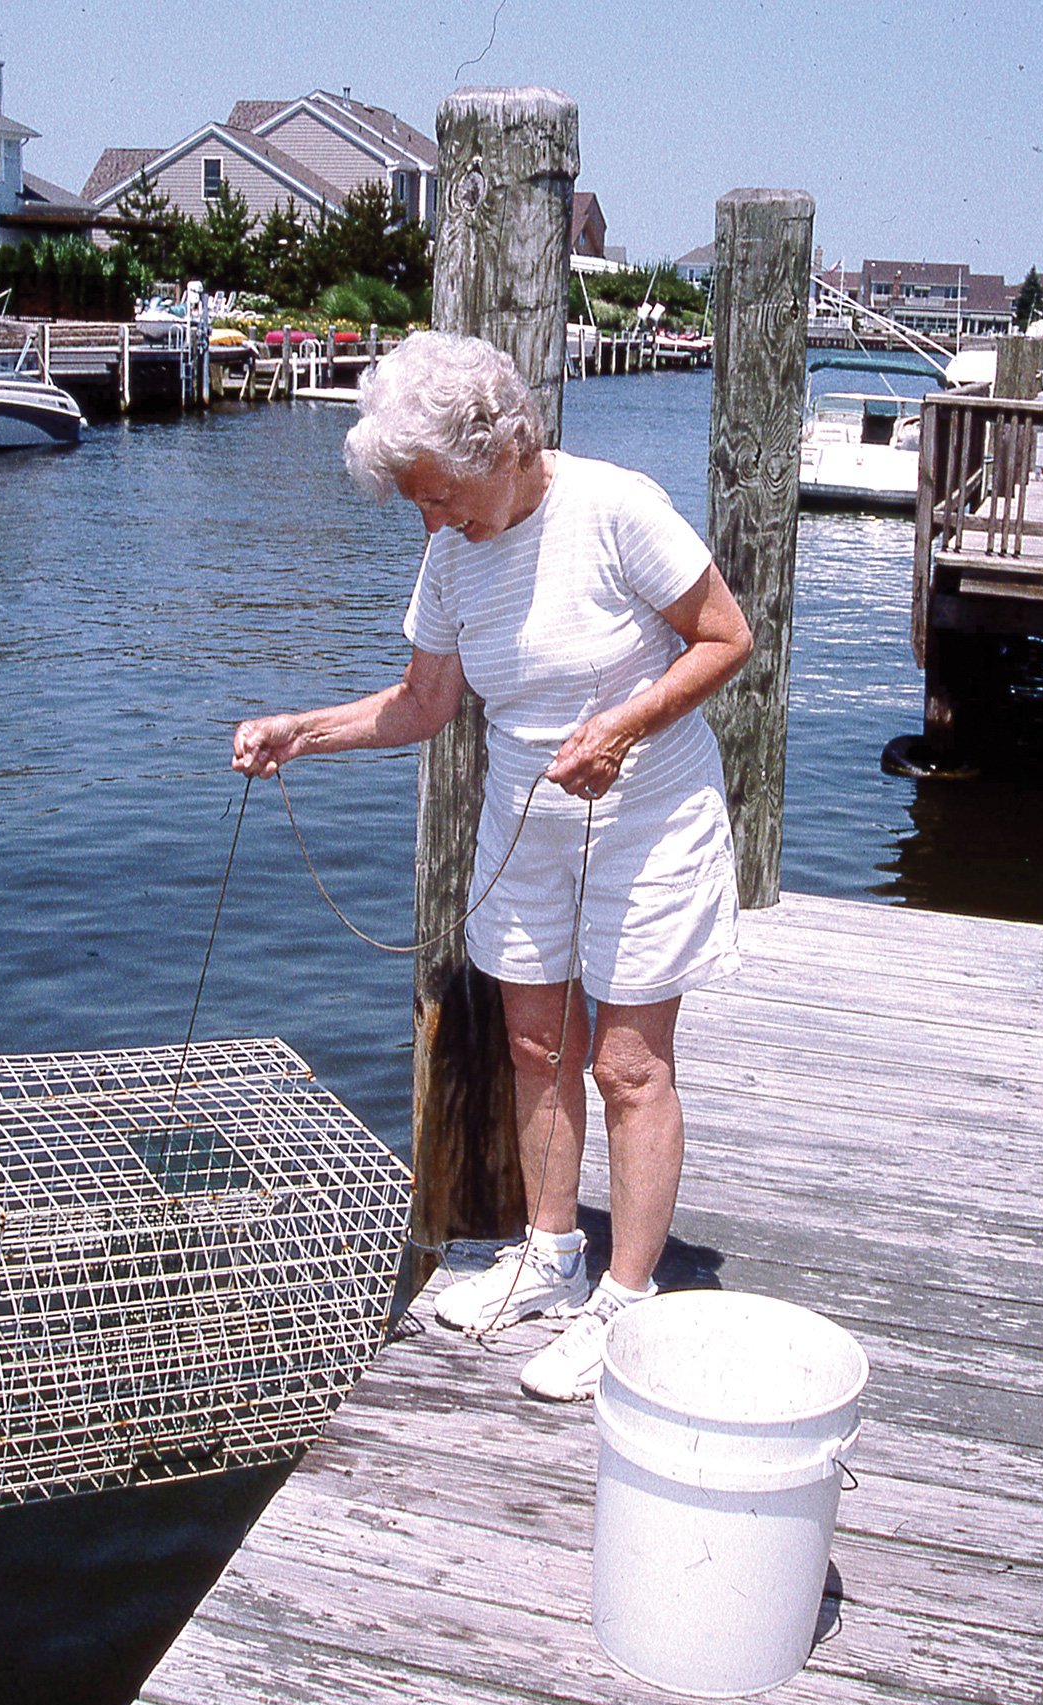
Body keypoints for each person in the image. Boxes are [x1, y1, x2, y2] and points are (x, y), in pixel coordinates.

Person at [233, 330, 752, 1403]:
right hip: (528, 820)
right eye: (417, 503)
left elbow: (723, 637)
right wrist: (302, 729)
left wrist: (622, 724)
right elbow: (423, 704)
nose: (431, 520)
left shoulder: (613, 508)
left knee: (628, 1068)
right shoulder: (453, 554)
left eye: (439, 493)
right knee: (531, 1041)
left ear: (507, 443)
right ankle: (548, 1252)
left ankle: (627, 1295)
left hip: (649, 817)